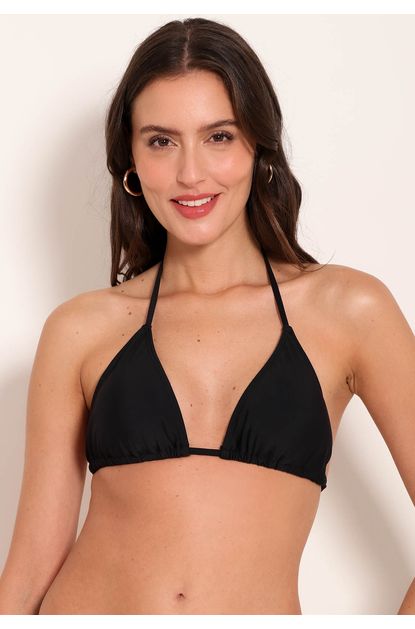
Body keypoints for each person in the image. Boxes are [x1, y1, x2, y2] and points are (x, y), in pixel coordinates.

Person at [0, 17, 414, 615]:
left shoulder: (349, 310)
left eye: (218, 136)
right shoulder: (80, 329)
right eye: (161, 141)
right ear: (131, 162)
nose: (190, 173)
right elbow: (29, 572)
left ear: (257, 146)